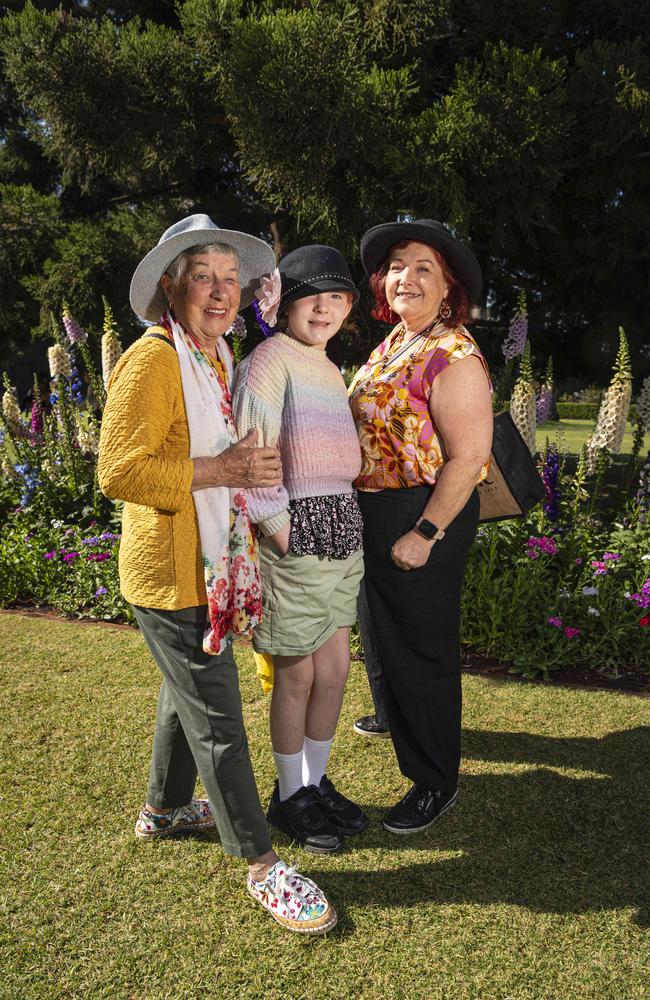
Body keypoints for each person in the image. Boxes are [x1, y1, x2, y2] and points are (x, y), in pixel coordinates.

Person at [98, 214, 336, 934]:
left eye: (231, 278)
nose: (220, 291)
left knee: (190, 693)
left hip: (213, 562)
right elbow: (118, 471)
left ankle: (165, 810)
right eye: (203, 276)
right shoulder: (152, 360)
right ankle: (262, 864)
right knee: (220, 717)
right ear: (172, 287)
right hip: (170, 573)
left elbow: (221, 454)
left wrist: (245, 479)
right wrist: (226, 468)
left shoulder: (217, 357)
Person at [348, 218, 493, 834]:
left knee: (422, 647)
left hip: (425, 511)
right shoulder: (396, 341)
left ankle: (435, 778)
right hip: (378, 507)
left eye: (424, 268)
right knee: (381, 632)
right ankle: (394, 714)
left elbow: (469, 458)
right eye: (399, 266)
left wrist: (425, 533)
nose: (407, 276)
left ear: (447, 288)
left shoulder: (453, 353)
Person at [233, 245, 368, 854]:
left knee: (336, 671)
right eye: (310, 295)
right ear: (284, 303)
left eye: (337, 296)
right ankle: (289, 797)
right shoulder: (268, 360)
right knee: (298, 674)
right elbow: (251, 452)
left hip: (343, 526)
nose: (325, 307)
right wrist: (277, 525)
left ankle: (315, 784)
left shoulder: (329, 366)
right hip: (300, 531)